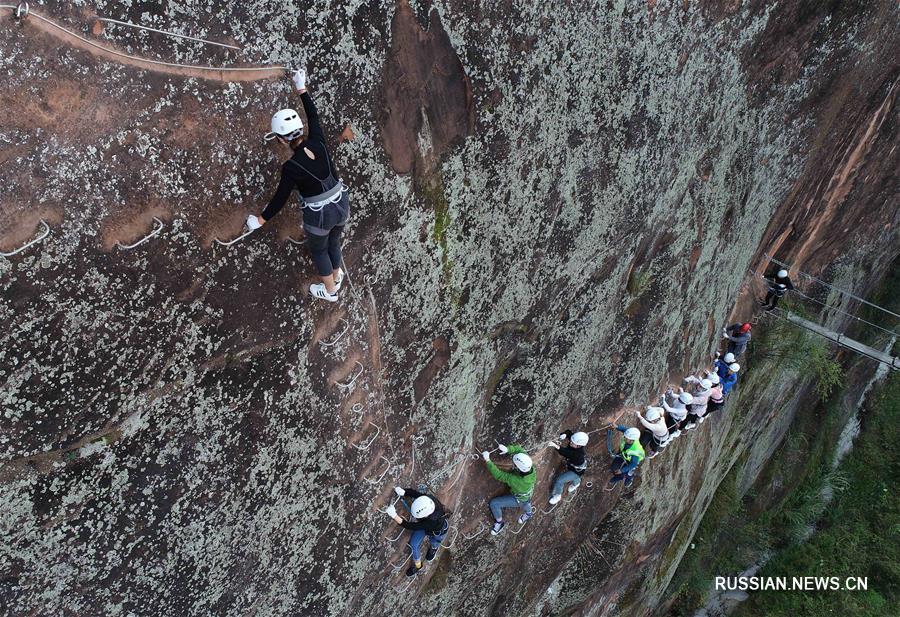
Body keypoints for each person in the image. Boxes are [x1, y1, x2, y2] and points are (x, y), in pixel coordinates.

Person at [247, 68, 350, 303]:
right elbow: (313, 116)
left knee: (320, 250)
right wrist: (300, 86)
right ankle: (336, 274)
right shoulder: (318, 141)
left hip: (320, 215)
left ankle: (331, 291)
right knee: (334, 241)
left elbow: (280, 199)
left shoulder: (291, 167)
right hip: (341, 203)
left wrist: (259, 221)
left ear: (282, 139)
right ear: (300, 130)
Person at [384, 486, 449, 577]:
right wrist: (404, 492)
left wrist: (394, 515)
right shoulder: (428, 500)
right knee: (414, 544)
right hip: (428, 525)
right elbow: (417, 494)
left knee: (435, 542)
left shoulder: (431, 522)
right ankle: (418, 566)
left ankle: (434, 548)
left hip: (438, 531)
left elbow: (411, 526)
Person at [482, 444, 536, 535]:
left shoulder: (516, 480)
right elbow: (520, 450)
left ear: (518, 468)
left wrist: (488, 460)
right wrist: (508, 449)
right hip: (527, 493)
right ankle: (529, 513)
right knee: (526, 501)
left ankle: (499, 523)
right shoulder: (529, 465)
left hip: (519, 498)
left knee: (494, 504)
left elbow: (499, 475)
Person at [547, 431, 589, 504]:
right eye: (571, 441)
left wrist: (556, 446)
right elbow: (569, 433)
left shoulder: (578, 455)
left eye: (573, 443)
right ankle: (577, 483)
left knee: (559, 480)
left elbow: (567, 453)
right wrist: (564, 434)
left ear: (579, 446)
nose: (570, 443)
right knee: (576, 478)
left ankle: (557, 495)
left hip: (576, 471)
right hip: (575, 466)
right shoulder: (575, 440)